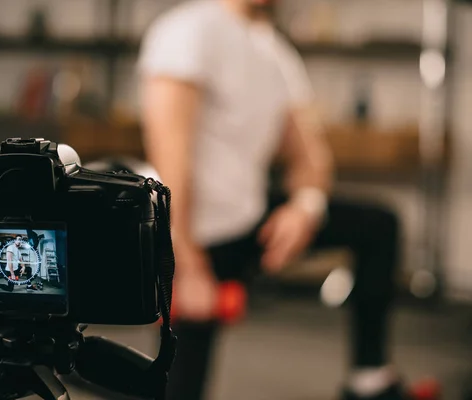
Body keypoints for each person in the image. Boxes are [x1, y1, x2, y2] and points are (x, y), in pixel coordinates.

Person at [138, 1, 406, 399]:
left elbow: (311, 155)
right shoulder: (188, 30)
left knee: (379, 225)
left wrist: (306, 208)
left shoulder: (275, 51)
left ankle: (368, 380)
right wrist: (186, 263)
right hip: (195, 237)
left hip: (249, 218)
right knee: (180, 386)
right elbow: (169, 150)